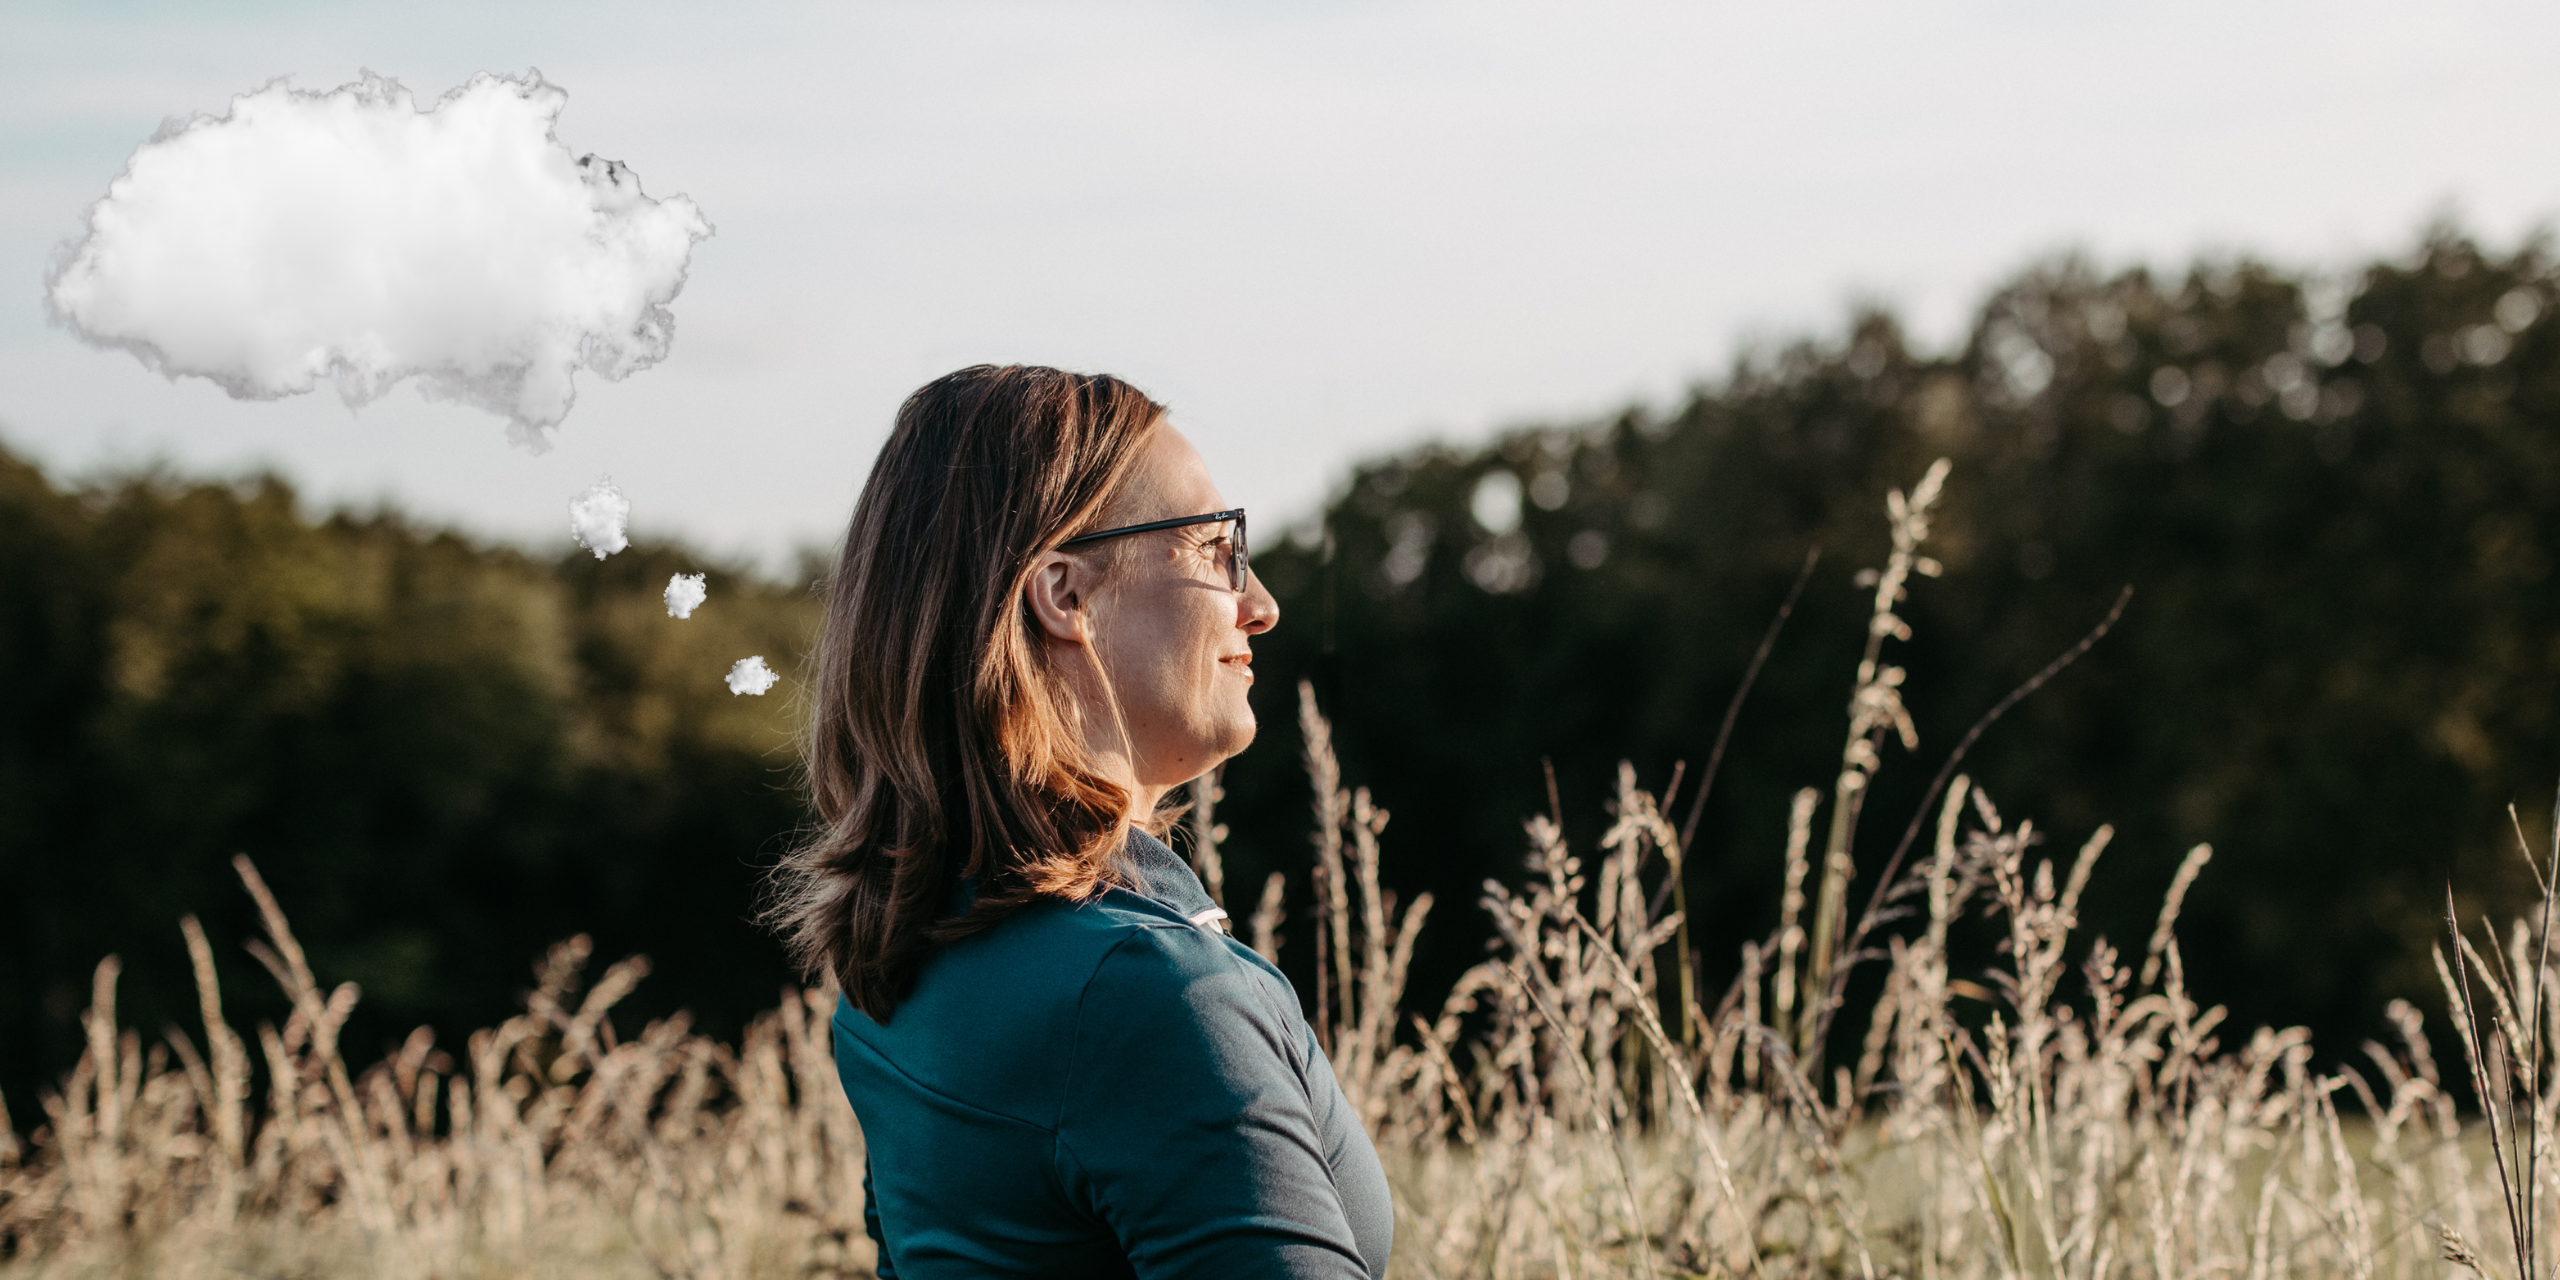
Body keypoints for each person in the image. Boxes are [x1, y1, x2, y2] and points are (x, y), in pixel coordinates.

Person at [764, 365, 1392, 1278]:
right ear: (1064, 595)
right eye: (1215, 548)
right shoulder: (1152, 996)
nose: (1260, 606)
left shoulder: (905, 958)